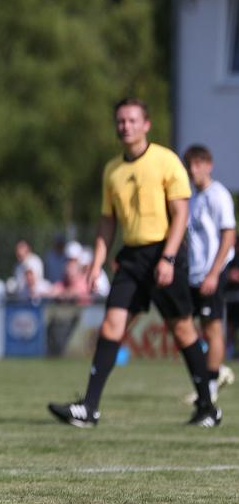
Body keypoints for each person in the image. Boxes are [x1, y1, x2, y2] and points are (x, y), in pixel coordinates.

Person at [48, 98, 219, 428]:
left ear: (146, 125)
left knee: (182, 329)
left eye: (132, 120)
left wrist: (168, 257)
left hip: (164, 253)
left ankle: (208, 407)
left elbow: (181, 213)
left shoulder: (166, 161)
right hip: (130, 257)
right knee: (111, 326)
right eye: (121, 121)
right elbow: (107, 221)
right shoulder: (112, 169)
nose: (125, 126)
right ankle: (90, 408)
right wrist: (96, 261)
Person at [182, 145, 236, 404]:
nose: (193, 170)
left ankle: (211, 385)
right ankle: (215, 371)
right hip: (194, 274)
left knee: (213, 328)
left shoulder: (218, 195)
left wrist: (214, 273)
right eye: (189, 165)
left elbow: (228, 234)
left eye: (197, 164)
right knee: (184, 326)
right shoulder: (193, 198)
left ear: (208, 165)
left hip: (211, 273)